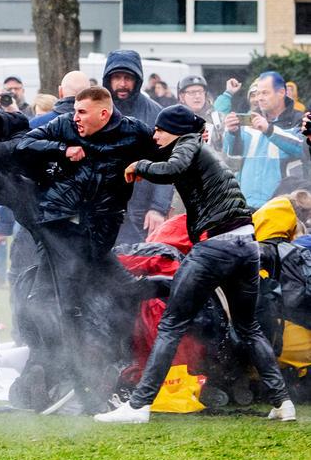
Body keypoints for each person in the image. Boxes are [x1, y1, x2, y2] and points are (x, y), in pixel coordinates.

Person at [96, 104, 296, 423]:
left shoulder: (188, 144)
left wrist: (140, 165)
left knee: (171, 324)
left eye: (160, 130)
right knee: (248, 327)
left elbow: (172, 168)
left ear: (176, 132)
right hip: (246, 246)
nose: (155, 135)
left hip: (217, 246)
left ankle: (137, 406)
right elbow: (169, 161)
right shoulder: (200, 151)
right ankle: (283, 403)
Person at [16, 86, 161, 413]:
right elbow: (24, 144)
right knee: (48, 302)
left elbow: (164, 151)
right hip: (62, 230)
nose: (76, 118)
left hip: (99, 234)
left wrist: (143, 166)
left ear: (103, 113)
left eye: (82, 112)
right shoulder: (64, 126)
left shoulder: (133, 131)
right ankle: (58, 377)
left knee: (119, 291)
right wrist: (61, 149)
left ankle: (91, 374)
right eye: (75, 111)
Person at [103, 50, 173, 245]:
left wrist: (158, 208)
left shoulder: (155, 112)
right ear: (108, 79)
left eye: (128, 78)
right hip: (102, 207)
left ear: (137, 80)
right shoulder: (97, 110)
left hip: (141, 210)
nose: (122, 84)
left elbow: (166, 163)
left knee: (138, 260)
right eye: (117, 77)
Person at [223, 71, 305, 207]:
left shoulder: (299, 119)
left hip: (282, 205)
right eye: (257, 93)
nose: (259, 98)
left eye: (265, 93)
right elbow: (231, 155)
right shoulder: (250, 119)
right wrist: (232, 133)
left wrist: (269, 129)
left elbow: (302, 149)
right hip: (248, 204)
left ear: (281, 92)